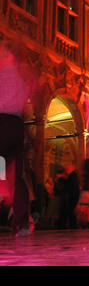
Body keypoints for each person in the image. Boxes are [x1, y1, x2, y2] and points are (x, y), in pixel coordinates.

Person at [0, 39, 32, 236]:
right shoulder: (23, 77)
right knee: (18, 177)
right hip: (17, 126)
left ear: (9, 54)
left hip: (2, 124)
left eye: (3, 52)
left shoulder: (2, 74)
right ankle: (21, 222)